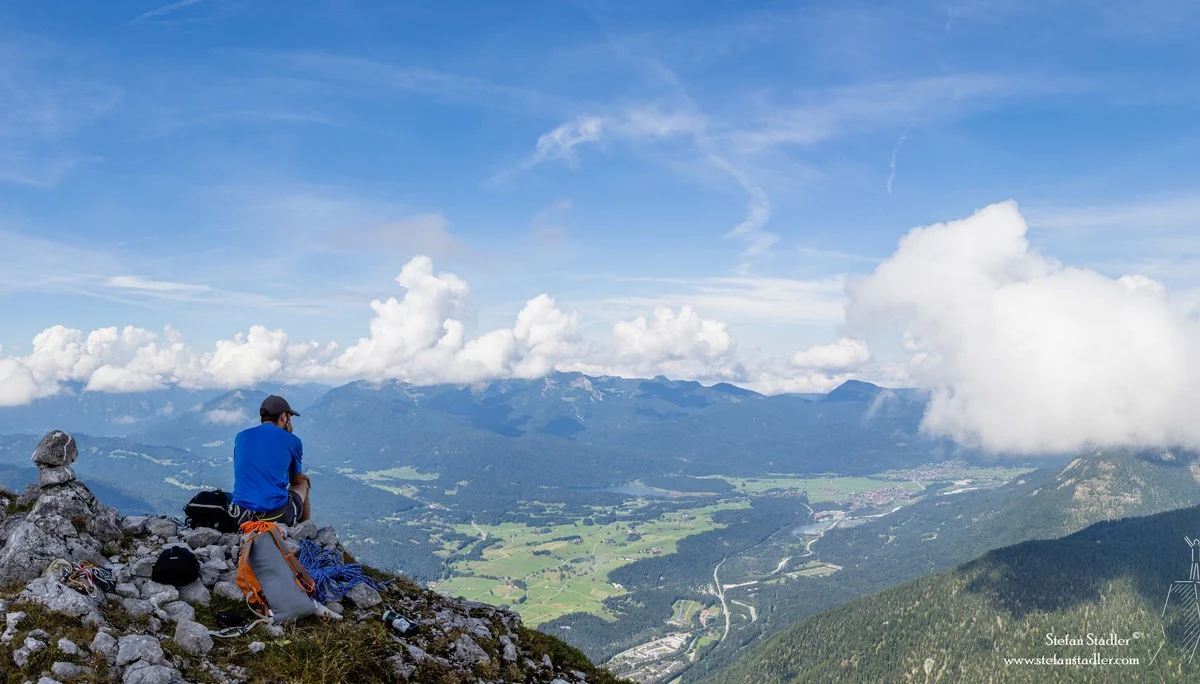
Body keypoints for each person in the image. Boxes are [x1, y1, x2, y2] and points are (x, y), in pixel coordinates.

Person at [229, 395, 311, 526]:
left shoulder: (241, 436)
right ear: (284, 416)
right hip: (275, 516)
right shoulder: (293, 441)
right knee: (303, 482)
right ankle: (305, 530)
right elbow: (295, 481)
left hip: (241, 515)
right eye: (289, 417)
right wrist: (288, 437)